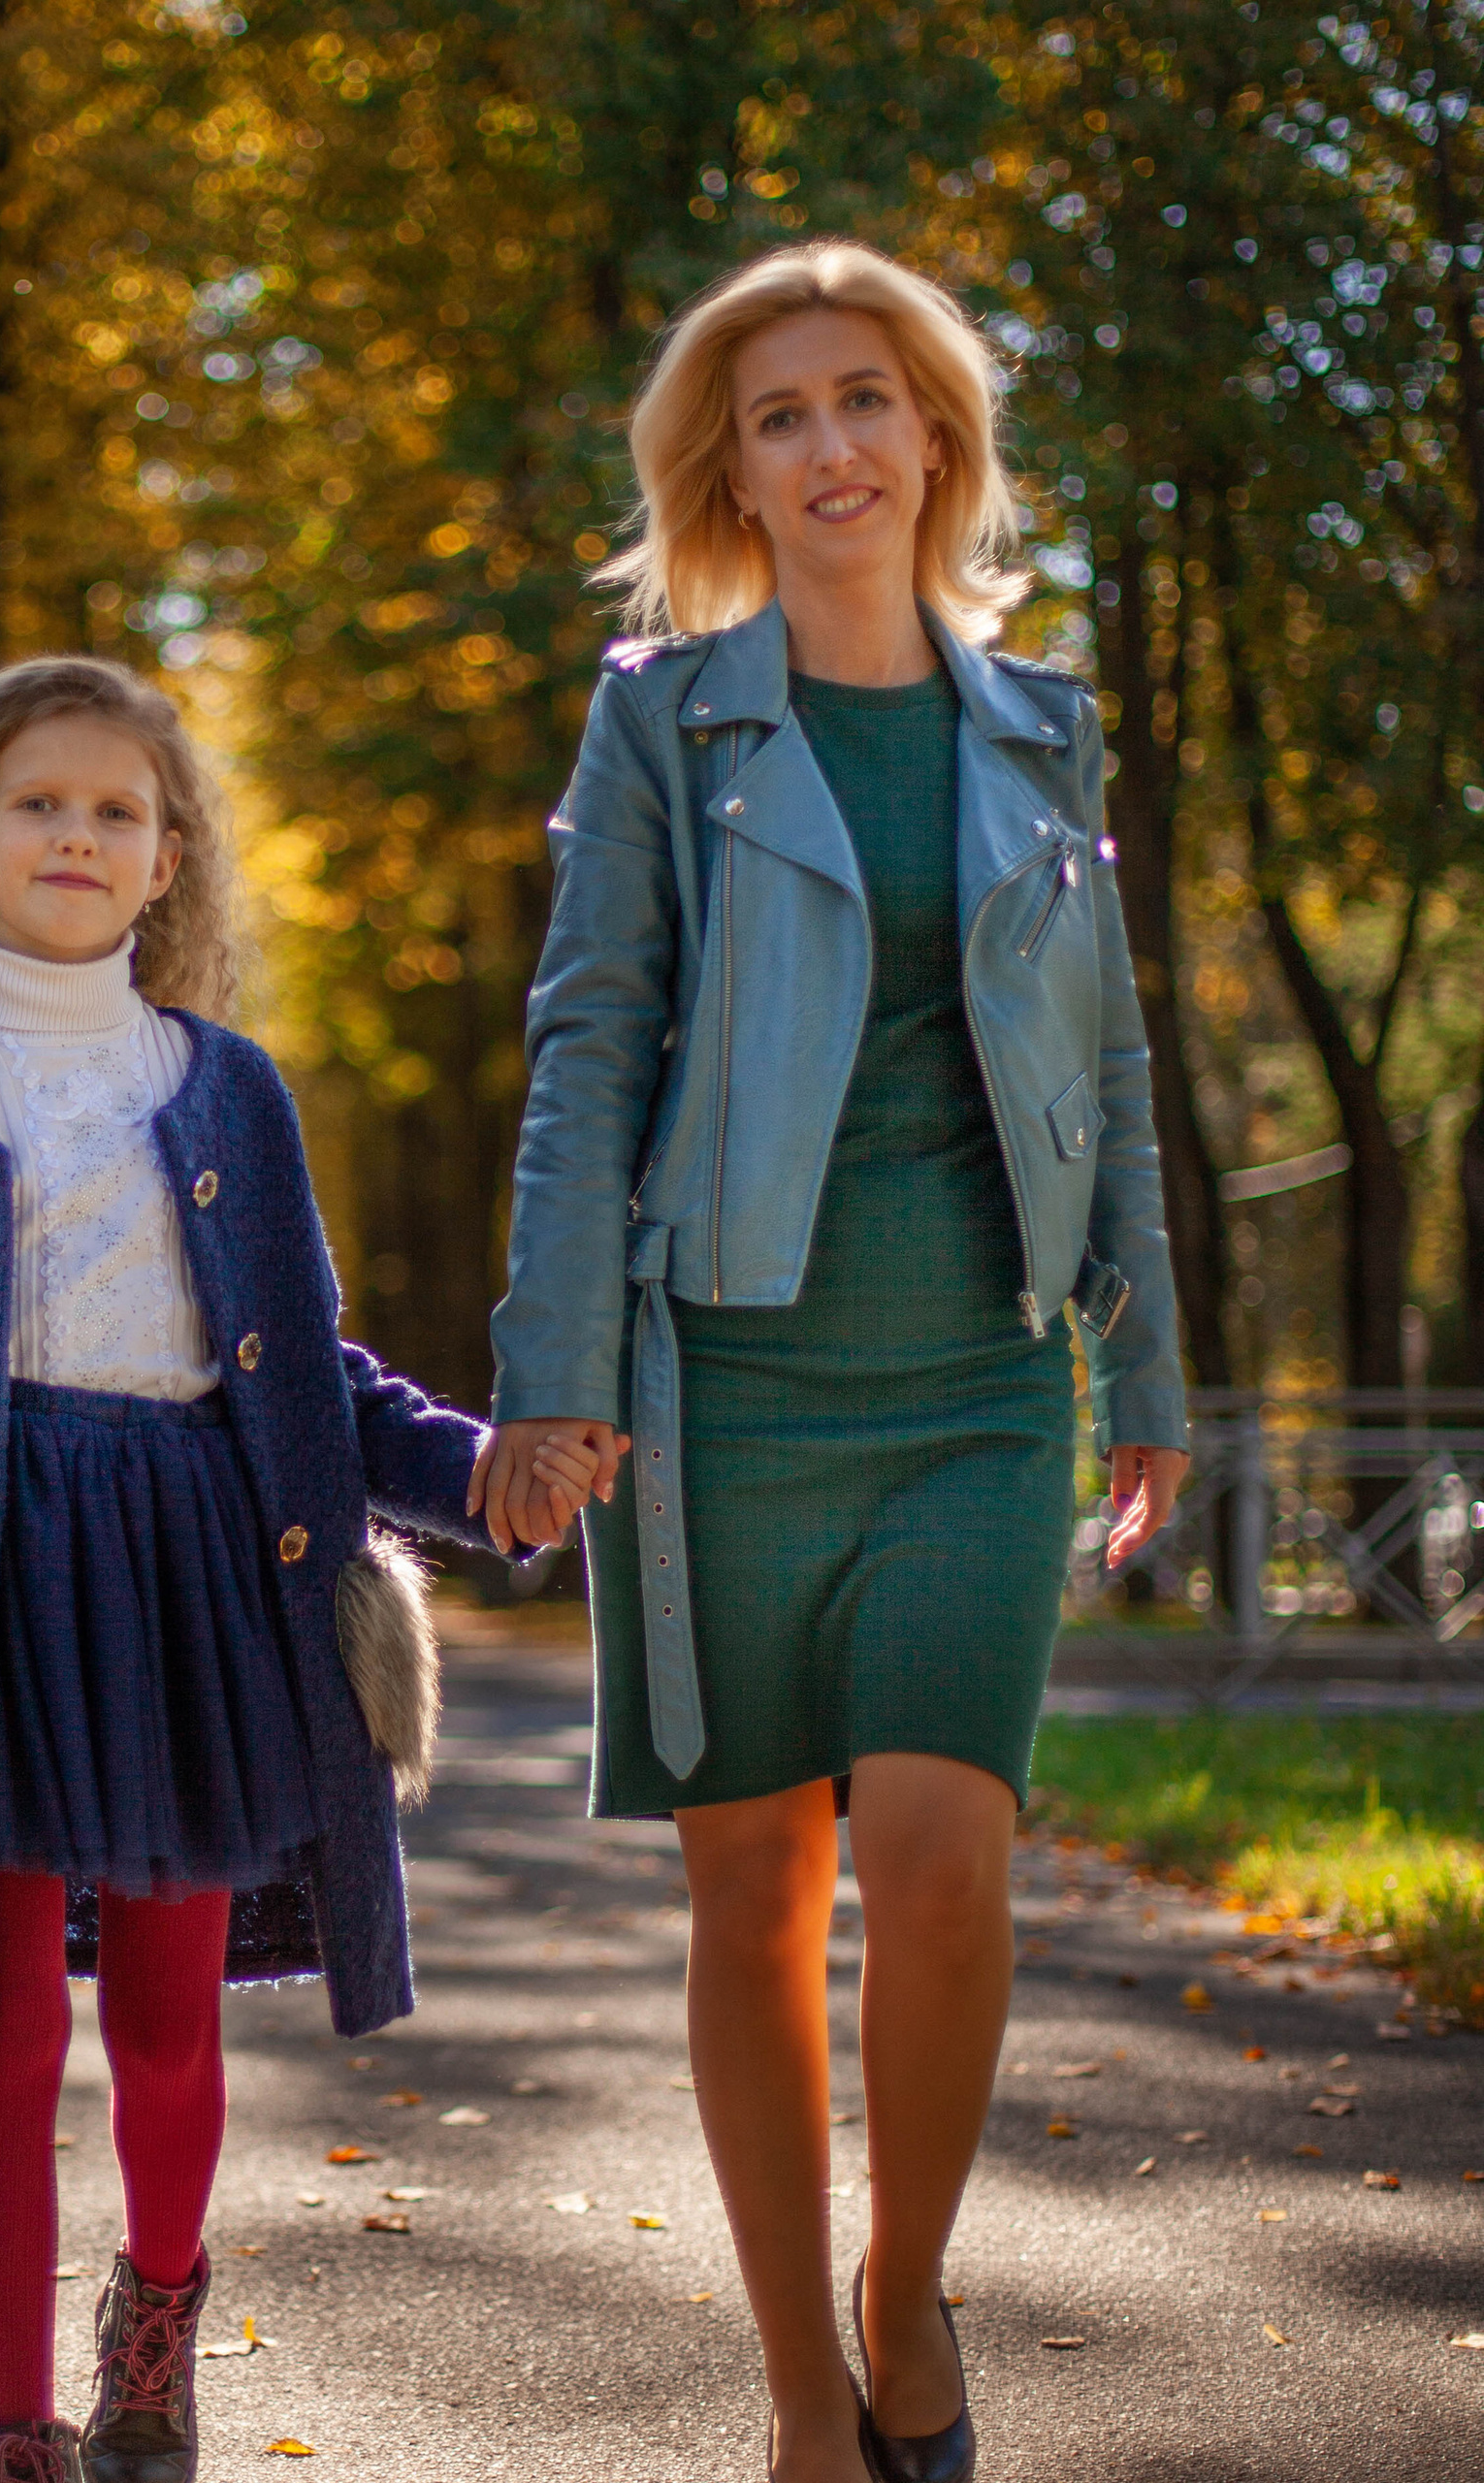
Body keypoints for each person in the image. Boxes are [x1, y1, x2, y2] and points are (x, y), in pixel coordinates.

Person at [469, 240, 1192, 2483]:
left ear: (936, 437)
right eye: (776, 413)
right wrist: (547, 1361)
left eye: (863, 397)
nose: (828, 444)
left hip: (976, 1374)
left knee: (940, 1848)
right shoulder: (660, 715)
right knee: (754, 1892)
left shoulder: (1038, 724)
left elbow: (1111, 1055)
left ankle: (907, 2283)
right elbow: (588, 1046)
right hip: (718, 1388)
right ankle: (800, 2385)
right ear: (734, 469)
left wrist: (1142, 1354)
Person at [0, 655, 592, 2483]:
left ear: (167, 861)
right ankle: (18, 2424)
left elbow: (317, 1377)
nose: (77, 831)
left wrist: (481, 1474)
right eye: (39, 803)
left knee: (159, 2017)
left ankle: (155, 2308)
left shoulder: (232, 1096)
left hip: (196, 1578)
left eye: (116, 810)